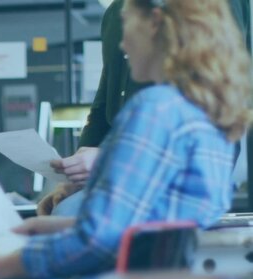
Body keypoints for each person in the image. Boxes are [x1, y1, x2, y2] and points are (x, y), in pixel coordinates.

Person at [0, 0, 252, 279]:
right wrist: (50, 229)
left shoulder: (155, 109)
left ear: (155, 24)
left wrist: (4, 264)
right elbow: (150, 227)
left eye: (128, 24)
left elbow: (99, 241)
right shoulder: (210, 117)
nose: (121, 44)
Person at [38, 0, 250, 216]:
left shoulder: (161, 105)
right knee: (64, 214)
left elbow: (213, 104)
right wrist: (75, 179)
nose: (124, 46)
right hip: (132, 185)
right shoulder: (115, 13)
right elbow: (103, 108)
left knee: (67, 215)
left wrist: (106, 162)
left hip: (158, 187)